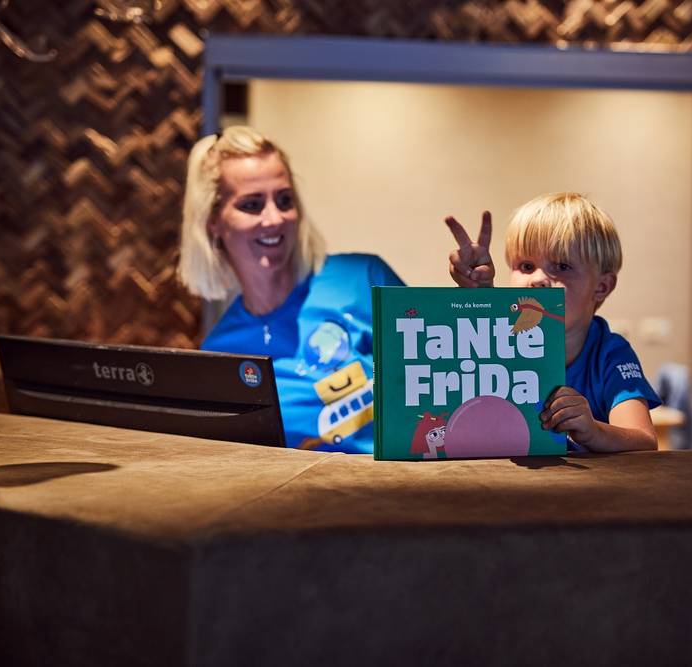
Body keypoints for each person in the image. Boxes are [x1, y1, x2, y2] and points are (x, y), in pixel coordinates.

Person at [178, 126, 403, 453]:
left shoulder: (363, 279)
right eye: (252, 205)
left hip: (398, 481)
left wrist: (473, 297)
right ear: (213, 221)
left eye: (284, 200)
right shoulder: (220, 352)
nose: (275, 218)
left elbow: (442, 374)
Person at [445, 193, 660, 452]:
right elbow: (486, 333)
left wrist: (593, 431)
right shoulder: (498, 338)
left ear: (601, 287)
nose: (538, 280)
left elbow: (644, 441)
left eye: (562, 266)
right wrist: (481, 290)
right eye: (526, 266)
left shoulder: (610, 353)